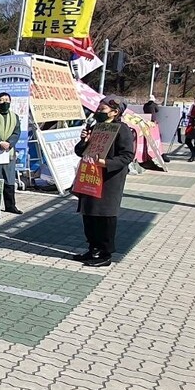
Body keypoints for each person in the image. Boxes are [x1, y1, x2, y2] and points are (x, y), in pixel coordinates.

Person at [73, 96, 135, 267]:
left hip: (109, 179)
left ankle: (105, 253)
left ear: (115, 112)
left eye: (102, 110)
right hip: (90, 175)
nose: (98, 112)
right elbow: (80, 151)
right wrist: (84, 141)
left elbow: (127, 155)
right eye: (98, 109)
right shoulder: (96, 127)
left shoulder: (122, 130)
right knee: (89, 213)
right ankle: (93, 249)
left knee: (104, 215)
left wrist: (106, 163)